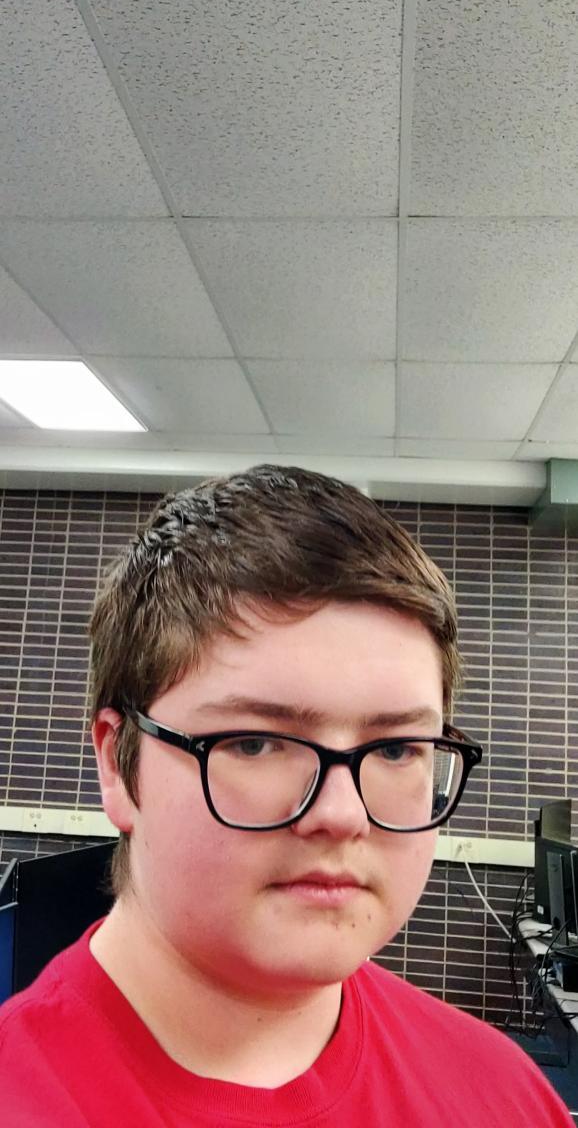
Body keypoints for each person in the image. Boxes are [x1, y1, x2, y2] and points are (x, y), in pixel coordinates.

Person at [0, 465, 573, 1126]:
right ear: (117, 764)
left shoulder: (504, 1098)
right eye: (255, 743)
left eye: (396, 749)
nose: (342, 814)